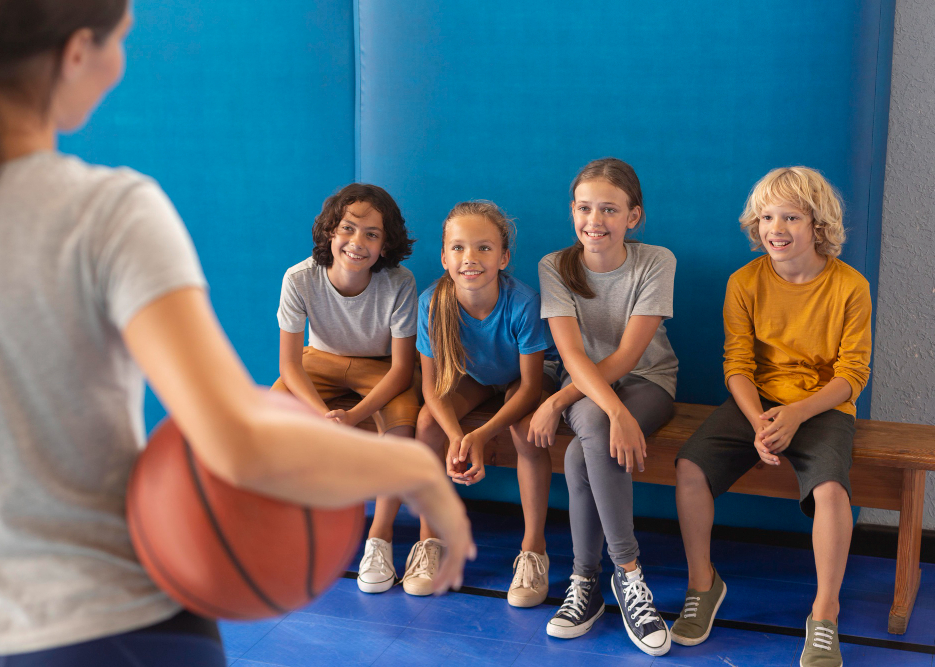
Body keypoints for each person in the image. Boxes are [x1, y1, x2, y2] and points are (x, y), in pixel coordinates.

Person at [0, 2, 473, 664]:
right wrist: (414, 465)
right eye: (121, 41)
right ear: (77, 52)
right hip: (112, 624)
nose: (120, 62)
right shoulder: (105, 212)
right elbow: (237, 441)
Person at [671, 167, 871, 667]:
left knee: (830, 491)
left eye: (790, 217)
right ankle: (703, 584)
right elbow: (737, 365)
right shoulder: (744, 282)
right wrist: (761, 421)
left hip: (822, 406)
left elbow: (853, 374)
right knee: (689, 467)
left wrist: (797, 415)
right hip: (756, 402)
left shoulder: (850, 286)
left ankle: (824, 614)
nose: (775, 228)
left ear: (818, 225)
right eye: (766, 217)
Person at [535, 158, 676, 656]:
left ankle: (593, 581)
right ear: (572, 210)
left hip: (648, 383)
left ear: (632, 216)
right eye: (585, 207)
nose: (594, 220)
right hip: (586, 389)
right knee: (588, 435)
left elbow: (628, 357)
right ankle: (626, 574)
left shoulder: (657, 261)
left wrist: (562, 401)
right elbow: (572, 354)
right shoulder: (554, 266)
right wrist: (607, 410)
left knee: (581, 450)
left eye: (609, 210)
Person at [272, 182, 423, 595]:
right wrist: (323, 416)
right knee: (272, 416)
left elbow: (401, 369)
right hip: (318, 363)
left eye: (372, 234)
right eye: (349, 229)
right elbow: (290, 364)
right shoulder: (300, 278)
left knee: (402, 429)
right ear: (329, 233)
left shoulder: (399, 282)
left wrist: (353, 417)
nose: (357, 242)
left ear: (385, 244)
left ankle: (380, 537)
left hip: (381, 369)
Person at [409, 201, 558, 607]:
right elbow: (432, 387)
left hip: (521, 380)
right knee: (427, 425)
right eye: (457, 248)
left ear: (504, 257)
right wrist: (458, 437)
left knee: (525, 431)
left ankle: (533, 550)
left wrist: (482, 434)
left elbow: (529, 387)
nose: (469, 258)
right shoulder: (430, 304)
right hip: (472, 379)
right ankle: (429, 541)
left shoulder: (522, 302)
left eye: (483, 248)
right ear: (443, 257)